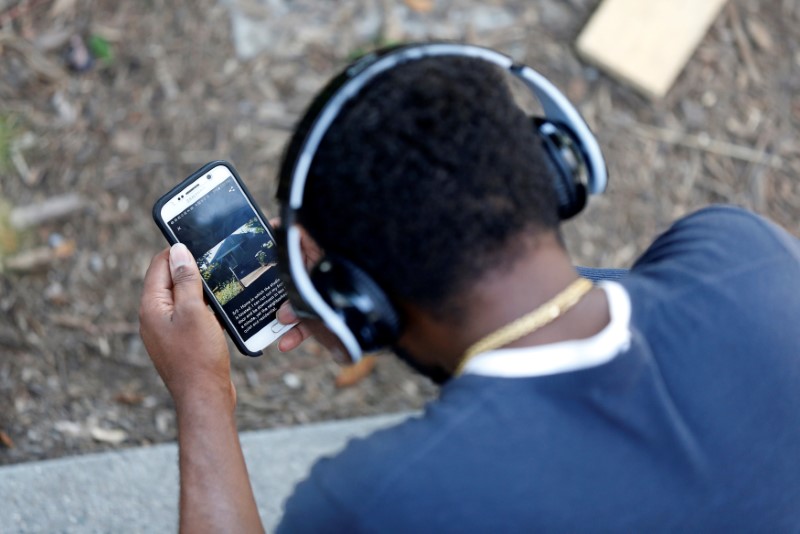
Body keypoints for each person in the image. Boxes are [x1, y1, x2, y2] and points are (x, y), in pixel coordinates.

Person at [139, 46, 800, 532]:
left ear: (358, 309)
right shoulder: (748, 257)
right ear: (552, 170)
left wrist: (201, 393)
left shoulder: (385, 502)